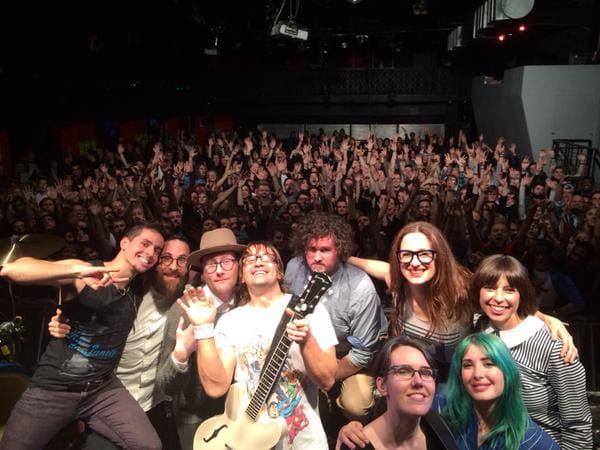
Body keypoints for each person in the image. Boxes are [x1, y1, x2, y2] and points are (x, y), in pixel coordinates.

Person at [0, 222, 165, 450]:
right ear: (124, 243)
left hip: (102, 389)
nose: (150, 253)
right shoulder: (86, 271)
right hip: (54, 387)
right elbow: (12, 270)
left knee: (149, 446)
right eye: (145, 244)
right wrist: (76, 270)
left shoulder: (139, 286)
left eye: (157, 250)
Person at [349, 222, 577, 383]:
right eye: (406, 254)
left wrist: (546, 319)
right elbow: (378, 267)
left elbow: (499, 300)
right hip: (419, 378)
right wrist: (342, 257)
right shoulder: (400, 282)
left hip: (458, 383)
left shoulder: (460, 290)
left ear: (439, 256)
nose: (414, 262)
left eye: (424, 254)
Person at [179, 241, 337, 449]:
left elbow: (327, 380)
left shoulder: (312, 312)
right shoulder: (231, 321)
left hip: (304, 441)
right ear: (242, 276)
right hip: (246, 440)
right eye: (250, 259)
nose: (258, 262)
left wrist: (307, 341)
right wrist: (204, 329)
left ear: (279, 272)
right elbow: (216, 387)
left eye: (266, 258)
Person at [47, 235, 193, 449]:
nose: (173, 267)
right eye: (166, 258)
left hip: (155, 405)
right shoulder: (129, 295)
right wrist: (66, 325)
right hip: (108, 400)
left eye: (182, 260)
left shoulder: (190, 302)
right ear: (155, 262)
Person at [471, 254, 592, 449]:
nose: (498, 298)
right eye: (490, 288)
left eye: (509, 290)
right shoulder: (477, 327)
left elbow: (578, 425)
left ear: (522, 294)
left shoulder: (554, 346)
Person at [285, 211, 387, 421]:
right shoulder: (295, 267)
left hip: (347, 353)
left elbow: (362, 353)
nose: (317, 257)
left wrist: (324, 377)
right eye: (311, 249)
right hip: (307, 345)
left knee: (356, 405)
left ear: (340, 250)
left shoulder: (360, 287)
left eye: (325, 250)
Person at [155, 228, 246, 449]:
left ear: (239, 267)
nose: (219, 271)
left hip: (240, 411)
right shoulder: (184, 310)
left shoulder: (247, 302)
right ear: (203, 273)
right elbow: (165, 386)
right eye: (211, 264)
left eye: (227, 262)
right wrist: (181, 355)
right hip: (195, 416)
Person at [335, 336, 458, 450]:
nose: (418, 381)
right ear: (382, 385)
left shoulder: (438, 427)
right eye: (403, 371)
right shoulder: (356, 444)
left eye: (426, 372)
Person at [442, 333, 559, 449]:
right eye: (468, 365)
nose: (477, 374)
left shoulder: (535, 443)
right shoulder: (445, 412)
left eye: (488, 364)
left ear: (507, 371)